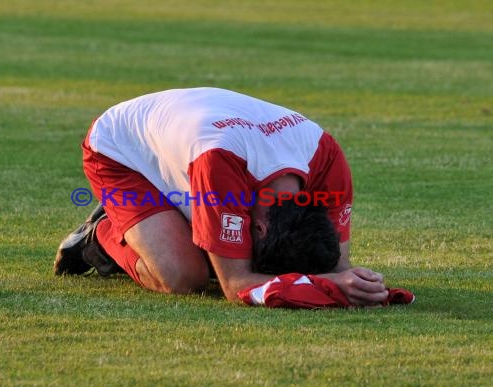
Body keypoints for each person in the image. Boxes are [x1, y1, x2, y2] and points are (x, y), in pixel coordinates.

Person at [54, 87, 392, 307]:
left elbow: (337, 265)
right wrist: (326, 286)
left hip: (199, 136)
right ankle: (100, 237)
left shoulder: (328, 162)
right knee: (185, 277)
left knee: (213, 255)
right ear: (256, 229)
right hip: (117, 147)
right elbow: (236, 283)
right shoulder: (219, 165)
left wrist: (353, 282)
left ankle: (162, 223)